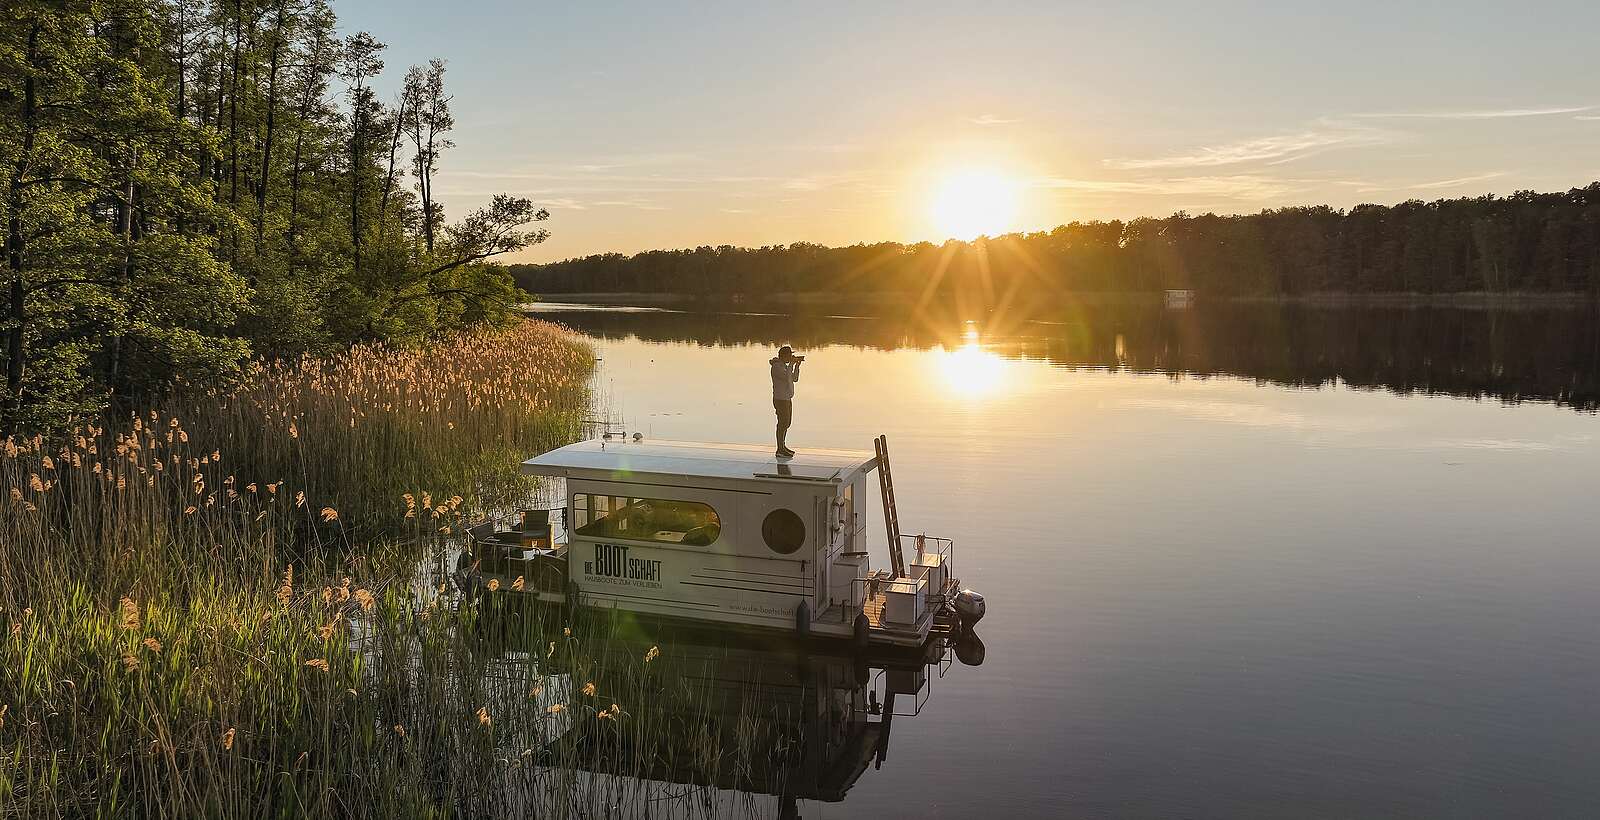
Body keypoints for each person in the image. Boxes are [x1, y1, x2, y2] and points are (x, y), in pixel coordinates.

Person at [770, 345, 803, 458]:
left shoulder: (784, 366)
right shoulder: (776, 367)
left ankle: (783, 447)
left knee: (787, 423)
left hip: (787, 398)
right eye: (789, 355)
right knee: (782, 423)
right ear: (784, 356)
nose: (791, 357)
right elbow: (787, 376)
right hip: (780, 399)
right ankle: (780, 449)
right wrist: (792, 365)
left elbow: (794, 378)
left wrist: (797, 366)